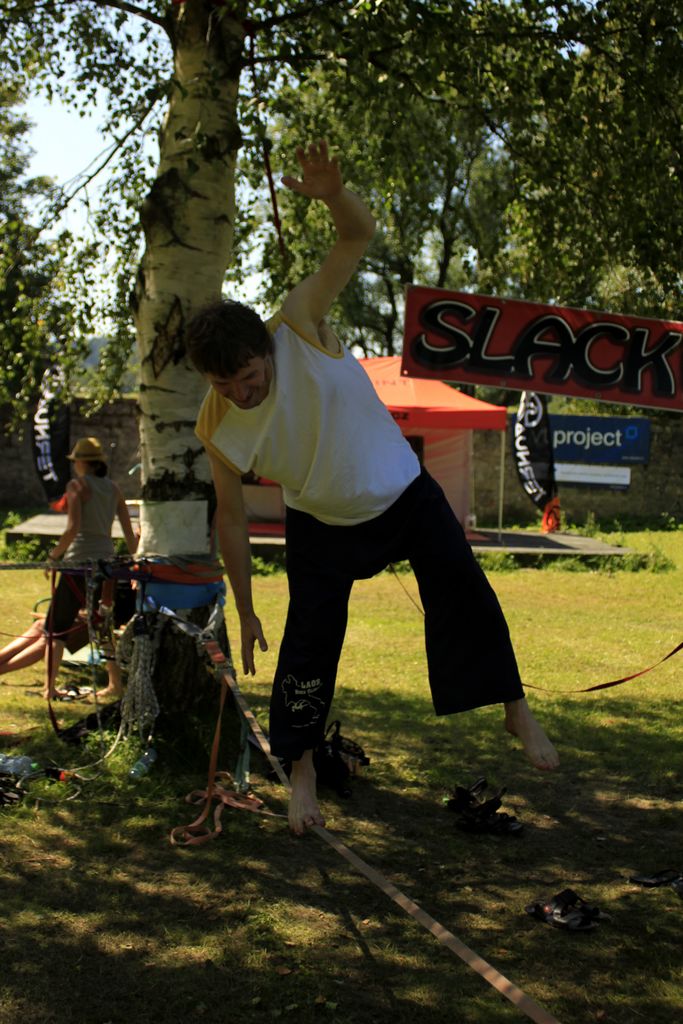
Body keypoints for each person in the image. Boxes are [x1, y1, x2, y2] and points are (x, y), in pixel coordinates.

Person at [186, 140, 559, 835]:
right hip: (320, 525)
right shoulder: (216, 422)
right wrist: (243, 609)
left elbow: (356, 236)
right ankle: (300, 773)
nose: (244, 391)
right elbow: (230, 521)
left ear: (262, 348)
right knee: (308, 646)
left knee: (462, 586)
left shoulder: (296, 321)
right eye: (226, 384)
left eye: (248, 374)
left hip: (403, 496)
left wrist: (331, 194)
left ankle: (513, 708)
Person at [42, 436, 138, 701]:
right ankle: (115, 683)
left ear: (83, 463)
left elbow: (73, 528)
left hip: (78, 565)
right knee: (101, 624)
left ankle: (49, 688)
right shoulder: (114, 488)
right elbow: (129, 535)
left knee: (56, 628)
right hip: (106, 566)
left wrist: (53, 557)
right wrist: (138, 561)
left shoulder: (77, 486)